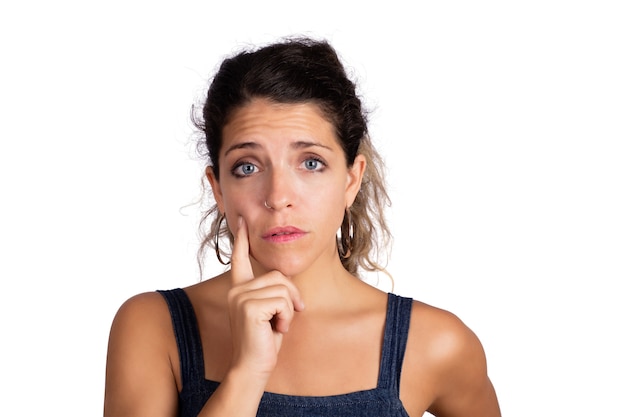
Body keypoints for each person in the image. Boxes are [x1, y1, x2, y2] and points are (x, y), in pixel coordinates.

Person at [103, 36, 501, 417]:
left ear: (351, 179)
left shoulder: (435, 343)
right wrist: (247, 372)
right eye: (247, 167)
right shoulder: (154, 328)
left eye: (311, 162)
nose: (278, 197)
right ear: (218, 190)